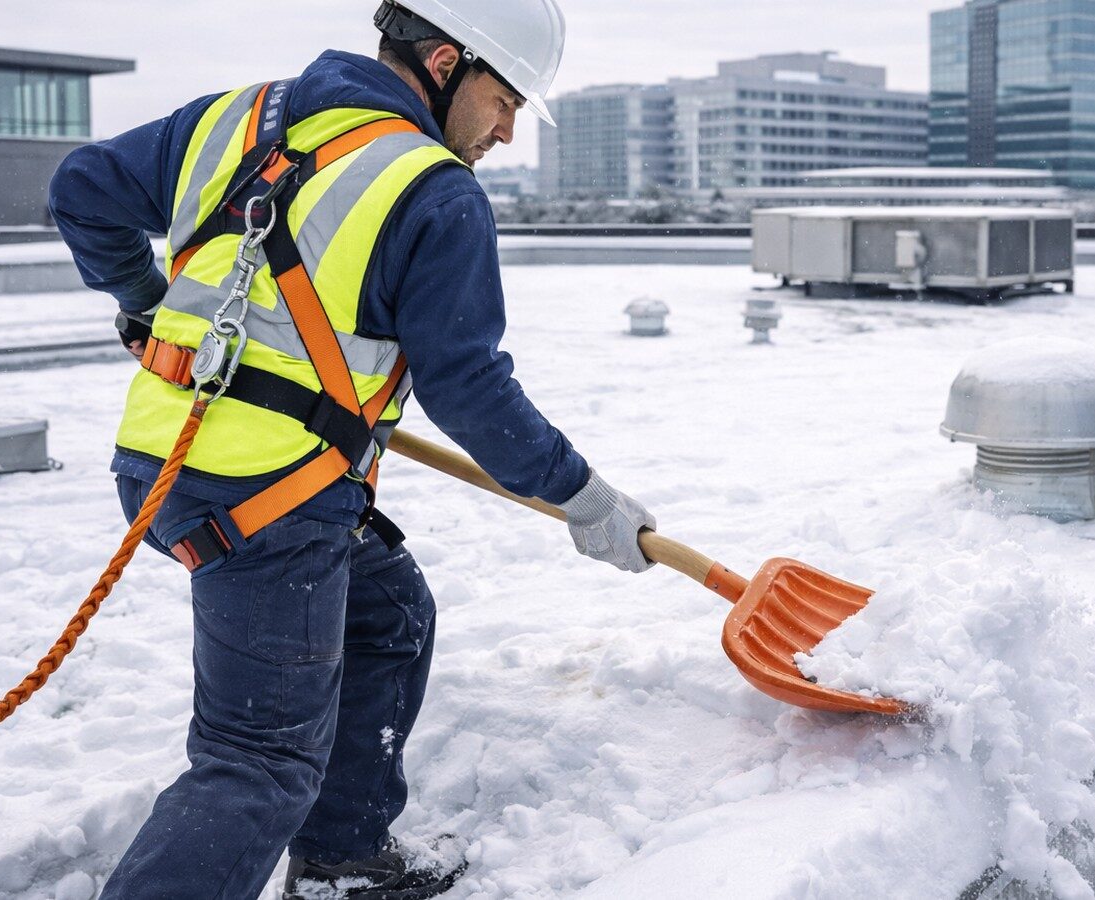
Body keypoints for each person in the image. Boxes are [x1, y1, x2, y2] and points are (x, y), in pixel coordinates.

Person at [48, 1, 655, 897]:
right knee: (256, 762)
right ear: (446, 63)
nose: (507, 131)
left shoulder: (237, 118)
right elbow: (469, 388)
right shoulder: (434, 189)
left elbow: (82, 188)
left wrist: (146, 302)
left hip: (165, 461)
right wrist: (583, 497)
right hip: (268, 497)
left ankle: (343, 859)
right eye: (505, 99)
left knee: (389, 616)